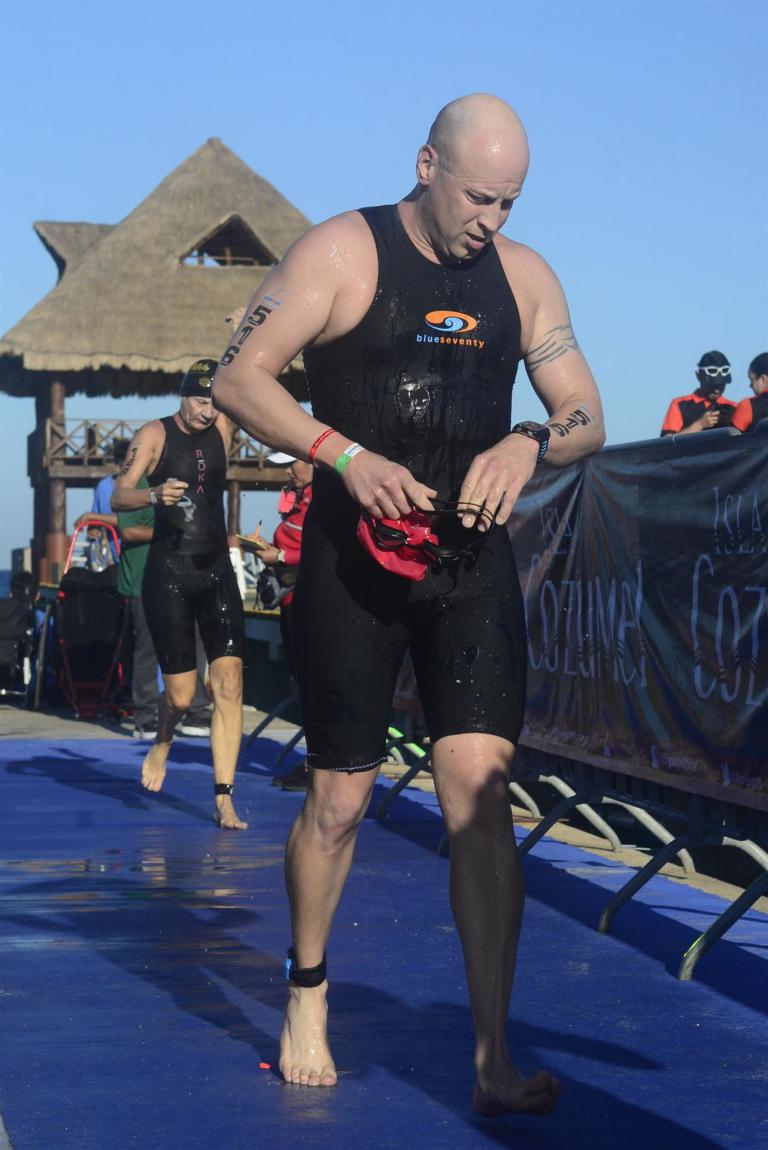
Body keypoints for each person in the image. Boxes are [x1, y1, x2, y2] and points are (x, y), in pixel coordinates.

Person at [213, 94, 605, 1115]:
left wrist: (528, 439)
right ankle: (307, 990)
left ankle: (491, 1054)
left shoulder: (524, 277)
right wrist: (343, 454)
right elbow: (238, 379)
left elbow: (585, 412)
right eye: (479, 197)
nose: (492, 220)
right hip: (354, 565)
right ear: (428, 165)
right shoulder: (341, 253)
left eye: (510, 202)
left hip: (469, 567)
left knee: (480, 796)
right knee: (340, 799)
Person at [112, 358, 247, 830]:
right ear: (183, 395)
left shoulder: (223, 426)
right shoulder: (154, 434)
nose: (208, 412)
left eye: (214, 403)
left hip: (217, 572)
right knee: (183, 696)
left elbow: (245, 372)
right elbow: (119, 495)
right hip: (168, 575)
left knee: (229, 684)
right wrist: (153, 496)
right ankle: (163, 739)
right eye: (200, 402)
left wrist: (240, 330)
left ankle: (224, 798)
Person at [116, 473, 214, 741]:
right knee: (147, 649)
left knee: (195, 645)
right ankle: (145, 716)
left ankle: (197, 711)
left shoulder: (188, 476)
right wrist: (174, 533)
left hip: (185, 578)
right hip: (144, 580)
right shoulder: (134, 483)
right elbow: (129, 531)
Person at [245, 451, 314, 791]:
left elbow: (323, 549)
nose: (287, 471)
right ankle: (313, 761)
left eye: (291, 463)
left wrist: (281, 555)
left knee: (314, 684)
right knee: (303, 682)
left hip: (310, 601)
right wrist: (266, 548)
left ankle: (319, 766)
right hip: (290, 600)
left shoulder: (322, 501)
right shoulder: (298, 498)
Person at [660, 350, 737, 436]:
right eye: (712, 385)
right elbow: (668, 441)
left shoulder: (734, 408)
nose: (716, 390)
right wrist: (700, 425)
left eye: (721, 385)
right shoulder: (679, 404)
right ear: (698, 376)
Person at [732, 352, 768, 433]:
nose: (750, 386)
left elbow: (730, 437)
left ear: (763, 379)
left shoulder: (748, 405)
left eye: (752, 380)